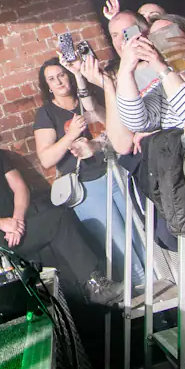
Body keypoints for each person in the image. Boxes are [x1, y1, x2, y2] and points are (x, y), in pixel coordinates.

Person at [0, 108, 119, 304]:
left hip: (18, 228)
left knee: (58, 218)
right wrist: (2, 224)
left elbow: (20, 187)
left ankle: (96, 285)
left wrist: (17, 220)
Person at [31, 56, 145, 286]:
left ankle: (160, 283)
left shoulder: (90, 99)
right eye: (51, 79)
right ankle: (142, 292)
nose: (58, 82)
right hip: (86, 187)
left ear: (70, 75)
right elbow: (46, 159)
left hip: (116, 172)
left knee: (140, 233)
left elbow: (118, 128)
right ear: (47, 86)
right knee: (117, 243)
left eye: (61, 75)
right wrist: (71, 135)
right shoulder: (47, 114)